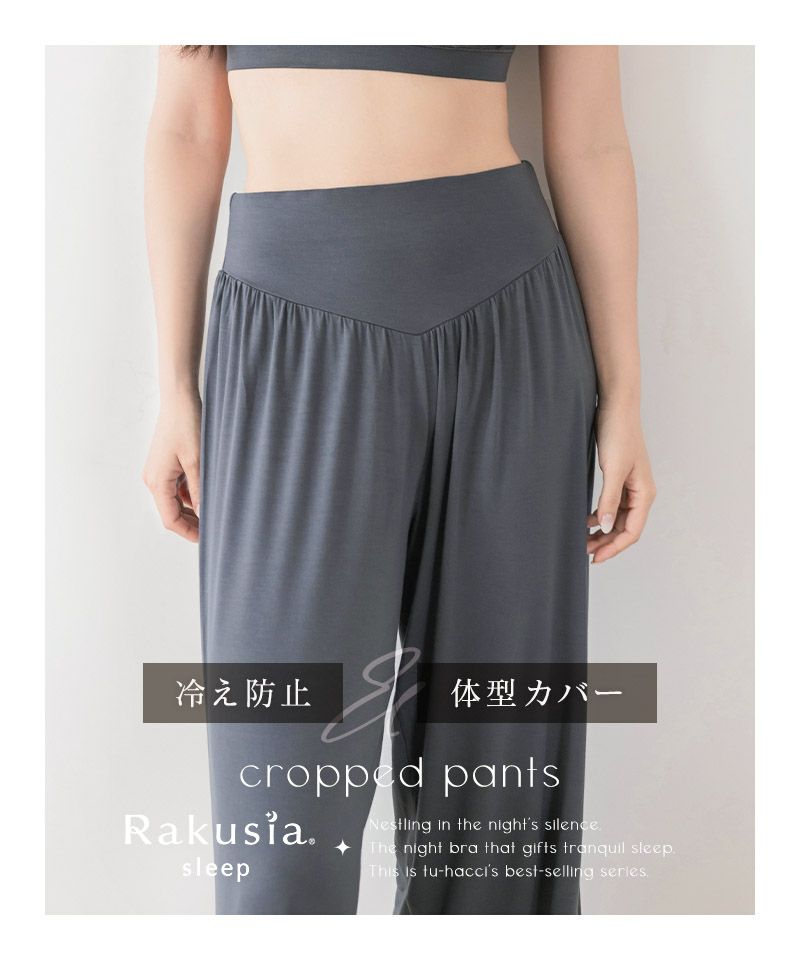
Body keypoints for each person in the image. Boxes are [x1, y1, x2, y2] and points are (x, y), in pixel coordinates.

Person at [143, 44, 656, 915]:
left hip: (508, 328)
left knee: (498, 819)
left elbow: (593, 139)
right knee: (278, 831)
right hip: (287, 338)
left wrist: (625, 396)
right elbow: (186, 128)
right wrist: (175, 387)